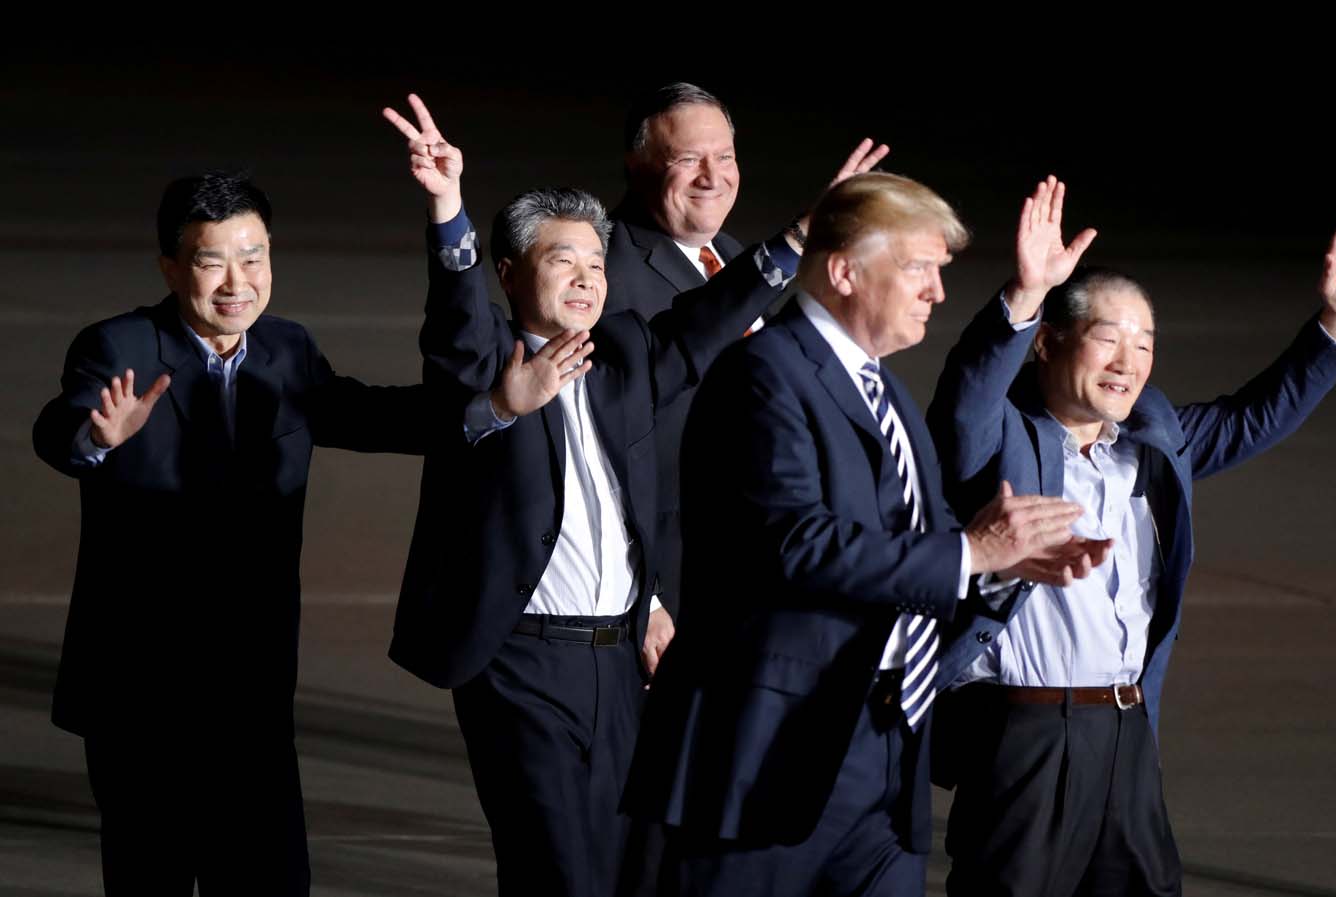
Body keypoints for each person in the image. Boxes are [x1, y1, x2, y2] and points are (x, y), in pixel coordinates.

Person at [380, 93, 885, 897]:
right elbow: (456, 320)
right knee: (558, 869)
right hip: (524, 663)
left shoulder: (621, 358)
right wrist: (448, 210)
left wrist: (796, 236)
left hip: (621, 665)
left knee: (629, 872)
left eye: (594, 264)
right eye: (561, 262)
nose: (585, 280)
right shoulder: (487, 363)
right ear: (511, 274)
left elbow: (706, 320)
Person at [623, 172, 1104, 897]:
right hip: (770, 758)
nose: (937, 292)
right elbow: (794, 543)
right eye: (919, 269)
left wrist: (1006, 567)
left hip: (884, 752)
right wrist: (973, 551)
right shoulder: (763, 375)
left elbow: (931, 544)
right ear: (844, 271)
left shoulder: (884, 392)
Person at [926, 175, 1336, 896]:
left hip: (1128, 729)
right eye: (1108, 338)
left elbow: (1249, 419)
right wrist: (1022, 294)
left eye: (1145, 343)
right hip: (1026, 733)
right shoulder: (1000, 439)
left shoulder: (1151, 439)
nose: (1128, 360)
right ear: (1047, 344)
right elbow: (965, 399)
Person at [31, 171, 431, 895]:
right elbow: (59, 429)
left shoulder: (287, 350)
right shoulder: (120, 344)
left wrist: (499, 402)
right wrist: (98, 437)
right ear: (170, 266)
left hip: (251, 695)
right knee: (150, 877)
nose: (237, 282)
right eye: (213, 261)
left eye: (255, 257)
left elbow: (373, 416)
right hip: (139, 699)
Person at [606, 82, 811, 620]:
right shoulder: (604, 267)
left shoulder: (727, 254)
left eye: (725, 157)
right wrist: (644, 600)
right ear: (638, 164)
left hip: (754, 566)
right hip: (674, 588)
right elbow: (600, 448)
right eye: (688, 159)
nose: (712, 177)